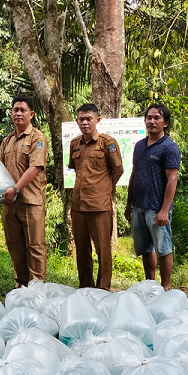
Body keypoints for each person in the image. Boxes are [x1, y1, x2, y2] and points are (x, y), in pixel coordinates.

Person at [124, 103, 180, 290]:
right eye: (149, 117)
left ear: (166, 123)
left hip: (157, 207)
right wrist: (128, 204)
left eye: (157, 118)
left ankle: (165, 288)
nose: (152, 121)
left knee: (163, 248)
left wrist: (164, 210)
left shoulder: (169, 147)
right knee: (145, 248)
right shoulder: (139, 146)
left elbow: (172, 180)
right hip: (138, 206)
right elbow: (134, 174)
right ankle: (150, 285)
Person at [68, 103, 124, 290]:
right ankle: (85, 288)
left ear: (97, 120)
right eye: (81, 119)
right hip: (78, 206)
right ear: (77, 121)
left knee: (103, 251)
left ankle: (103, 289)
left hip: (99, 206)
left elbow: (118, 170)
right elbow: (75, 169)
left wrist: (105, 189)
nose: (84, 123)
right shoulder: (74, 144)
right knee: (82, 251)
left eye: (88, 119)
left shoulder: (107, 143)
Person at [0, 95, 48, 287]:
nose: (18, 113)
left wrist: (15, 189)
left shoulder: (38, 138)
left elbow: (35, 167)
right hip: (10, 203)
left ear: (31, 114)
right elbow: (0, 169)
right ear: (11, 113)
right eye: (15, 110)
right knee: (15, 246)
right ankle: (21, 285)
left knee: (35, 246)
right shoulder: (7, 141)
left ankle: (36, 288)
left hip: (31, 201)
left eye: (22, 110)